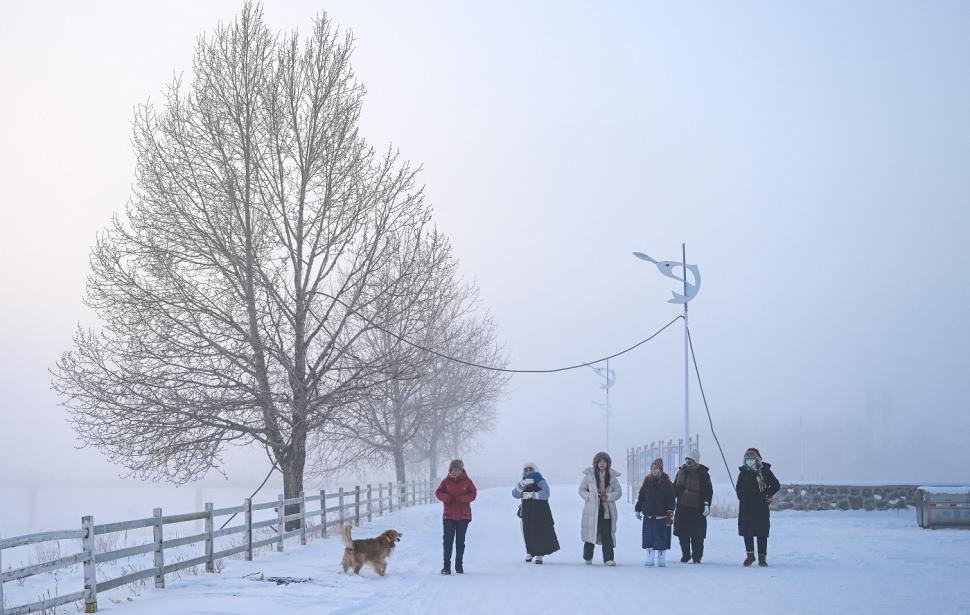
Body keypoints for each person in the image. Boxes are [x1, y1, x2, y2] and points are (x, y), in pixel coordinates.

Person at [736, 447, 781, 567]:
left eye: (751, 458)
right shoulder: (743, 472)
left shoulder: (765, 471)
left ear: (757, 459)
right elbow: (738, 487)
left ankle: (762, 557)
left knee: (762, 532)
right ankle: (750, 555)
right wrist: (741, 496)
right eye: (747, 459)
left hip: (761, 506)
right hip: (746, 506)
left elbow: (776, 485)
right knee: (747, 531)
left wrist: (767, 494)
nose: (749, 461)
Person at [578, 451, 622, 566]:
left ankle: (608, 559)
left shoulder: (612, 476)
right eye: (600, 461)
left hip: (607, 510)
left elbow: (618, 492)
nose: (602, 464)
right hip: (592, 509)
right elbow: (581, 490)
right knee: (591, 533)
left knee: (607, 534)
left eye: (604, 461)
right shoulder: (589, 475)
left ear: (608, 463)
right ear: (596, 463)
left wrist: (608, 497)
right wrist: (590, 497)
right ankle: (588, 557)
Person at [512, 462, 560, 564]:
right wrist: (521, 486)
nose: (528, 472)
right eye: (526, 470)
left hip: (540, 512)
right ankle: (530, 552)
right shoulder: (522, 482)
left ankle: (539, 555)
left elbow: (546, 493)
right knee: (526, 532)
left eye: (530, 469)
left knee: (539, 532)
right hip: (526, 512)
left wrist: (532, 495)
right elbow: (515, 494)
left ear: (535, 470)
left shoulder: (540, 480)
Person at [435, 459, 477, 575]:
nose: (455, 472)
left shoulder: (467, 482)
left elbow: (473, 494)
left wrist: (463, 499)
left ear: (461, 470)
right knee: (447, 541)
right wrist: (446, 498)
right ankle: (446, 566)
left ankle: (459, 565)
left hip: (463, 516)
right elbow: (438, 492)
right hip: (448, 516)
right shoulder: (445, 482)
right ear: (450, 470)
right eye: (453, 469)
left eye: (457, 469)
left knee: (460, 541)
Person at [673, 449, 713, 563]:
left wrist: (707, 504)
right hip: (683, 508)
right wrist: (670, 500)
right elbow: (675, 488)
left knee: (697, 535)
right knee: (683, 534)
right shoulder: (681, 472)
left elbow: (708, 490)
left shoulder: (703, 474)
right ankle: (686, 555)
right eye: (686, 460)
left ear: (696, 462)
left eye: (690, 461)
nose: (687, 463)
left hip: (697, 508)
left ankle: (697, 557)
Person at [634, 458, 676, 567]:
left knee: (661, 538)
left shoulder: (667, 484)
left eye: (656, 468)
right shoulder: (647, 482)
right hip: (649, 516)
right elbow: (641, 497)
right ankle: (650, 557)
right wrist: (638, 509)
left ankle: (661, 557)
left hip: (662, 517)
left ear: (661, 470)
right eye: (652, 468)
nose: (654, 470)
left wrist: (670, 514)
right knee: (649, 537)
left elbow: (671, 500)